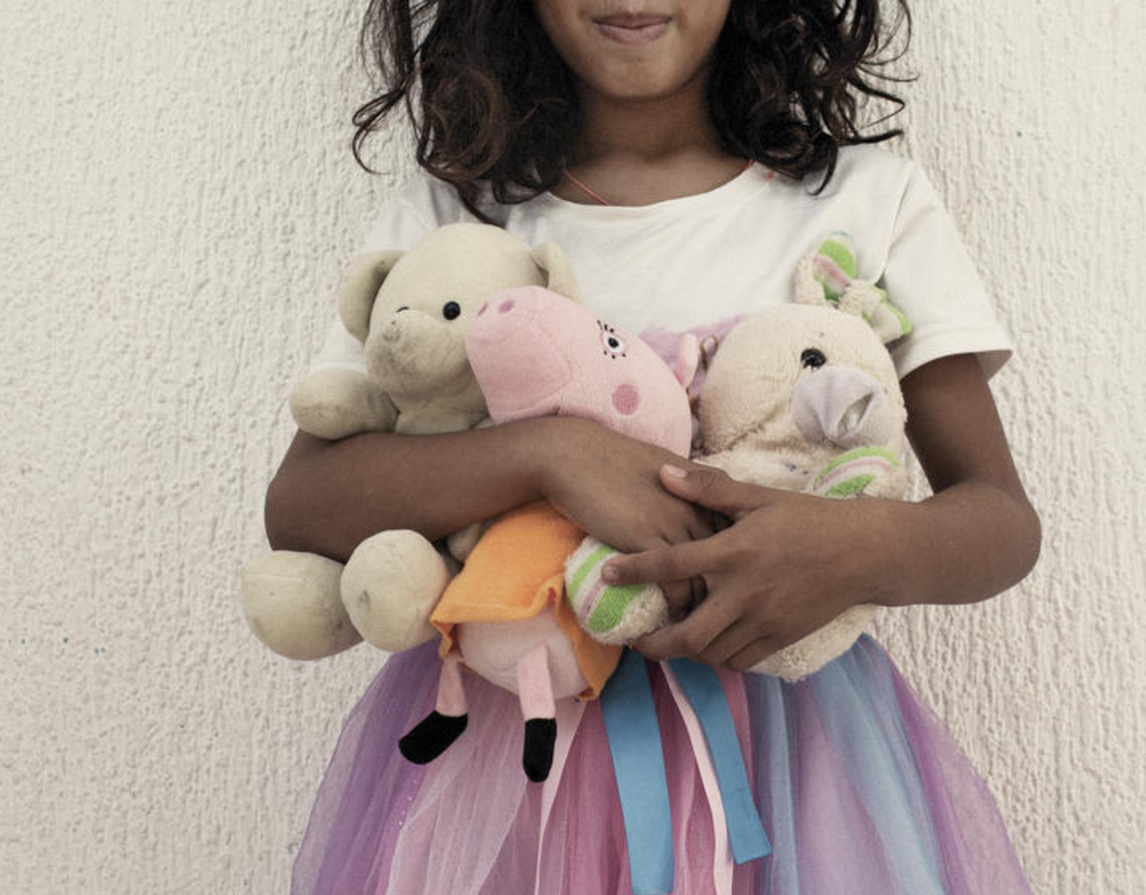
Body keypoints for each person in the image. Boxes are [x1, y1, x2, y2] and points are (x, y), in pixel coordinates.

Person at [268, 1, 1040, 891]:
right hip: (509, 767)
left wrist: (850, 547)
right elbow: (302, 502)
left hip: (794, 779)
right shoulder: (457, 219)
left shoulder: (867, 201)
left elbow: (999, 521)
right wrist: (550, 453)